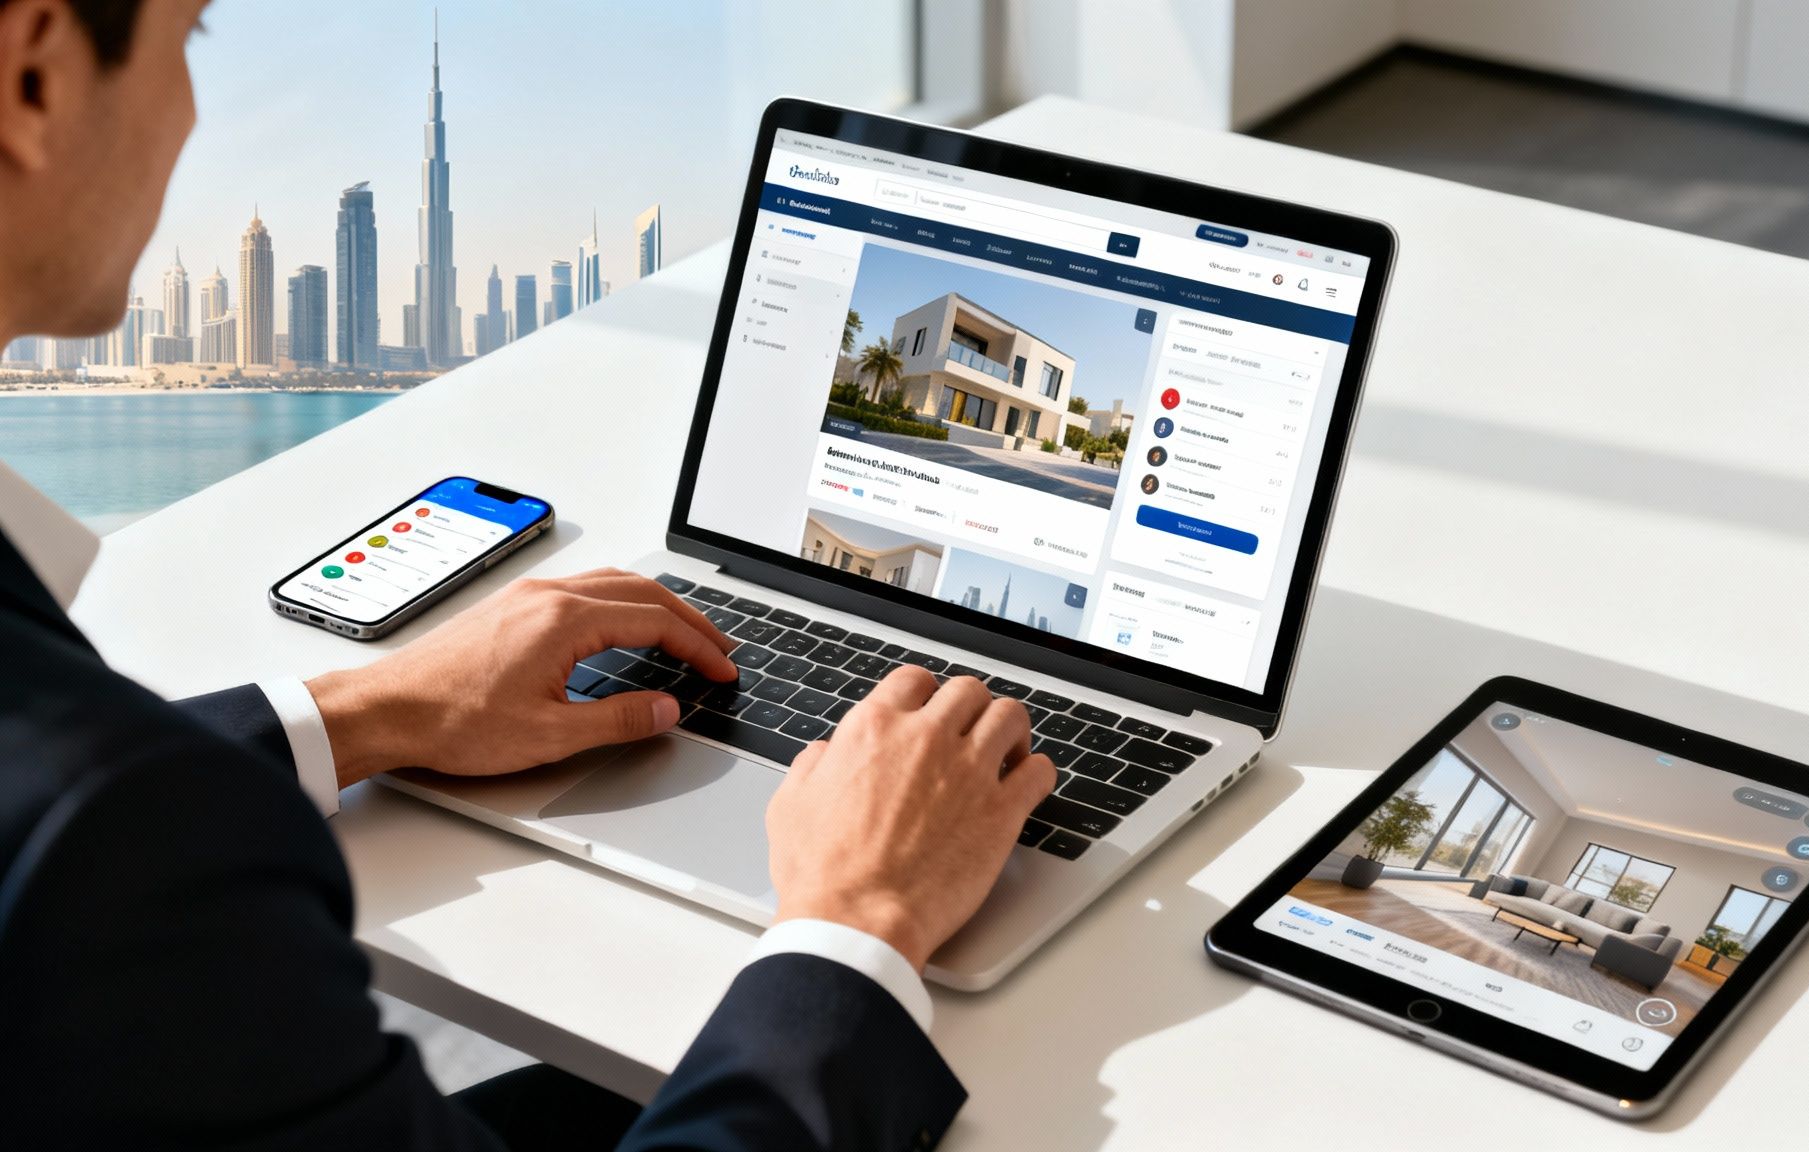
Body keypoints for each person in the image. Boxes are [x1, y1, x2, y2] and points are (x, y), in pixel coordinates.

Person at [0, 2, 1055, 1148]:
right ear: (34, 73)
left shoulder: (95, 813)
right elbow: (85, 838)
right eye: (191, 35)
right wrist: (864, 915)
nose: (193, 107)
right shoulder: (123, 848)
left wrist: (365, 708)